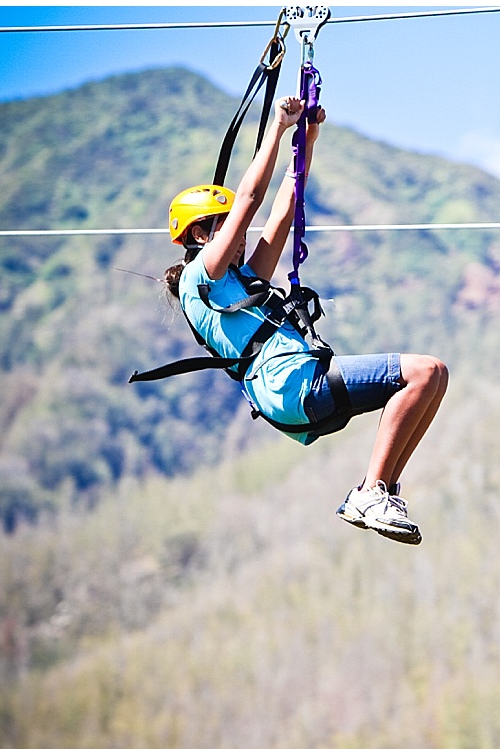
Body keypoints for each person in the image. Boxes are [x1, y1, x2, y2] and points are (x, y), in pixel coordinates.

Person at [164, 97, 448, 545]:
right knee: (423, 371)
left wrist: (306, 140)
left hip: (298, 386)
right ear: (200, 235)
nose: (239, 238)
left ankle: (381, 492)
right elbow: (252, 201)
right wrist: (277, 129)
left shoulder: (243, 279)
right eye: (226, 227)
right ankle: (370, 491)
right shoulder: (200, 280)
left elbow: (283, 209)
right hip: (290, 387)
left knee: (433, 378)